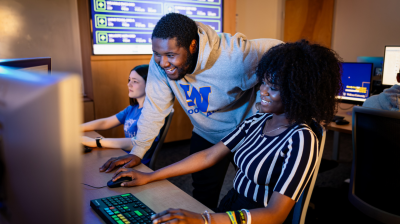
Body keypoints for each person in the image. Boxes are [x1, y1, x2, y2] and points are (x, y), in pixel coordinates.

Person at [110, 40, 343, 224]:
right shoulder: (257, 121)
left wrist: (205, 219)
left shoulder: (301, 139)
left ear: (299, 92)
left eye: (272, 88)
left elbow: (275, 215)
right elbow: (209, 155)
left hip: (256, 218)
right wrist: (151, 175)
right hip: (231, 207)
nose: (262, 91)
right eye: (263, 83)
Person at [99, 13, 282, 209]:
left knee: (257, 196)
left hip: (245, 135)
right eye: (157, 54)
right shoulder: (160, 64)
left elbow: (288, 54)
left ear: (192, 46)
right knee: (201, 197)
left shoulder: (235, 56)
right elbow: (155, 107)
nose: (163, 63)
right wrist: (138, 150)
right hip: (206, 133)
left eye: (171, 55)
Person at [82, 64, 156, 164]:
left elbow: (137, 142)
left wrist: (96, 142)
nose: (129, 84)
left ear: (149, 85)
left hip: (137, 163)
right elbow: (105, 122)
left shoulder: (152, 113)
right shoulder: (132, 108)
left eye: (135, 81)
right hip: (124, 155)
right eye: (129, 80)